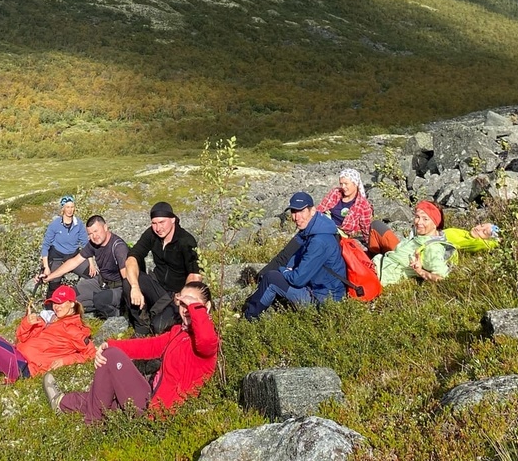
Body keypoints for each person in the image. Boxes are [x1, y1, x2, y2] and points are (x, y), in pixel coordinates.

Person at [43, 282, 218, 423]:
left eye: (192, 303)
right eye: (182, 303)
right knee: (107, 397)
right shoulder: (178, 332)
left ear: (206, 307)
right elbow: (149, 346)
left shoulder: (207, 342)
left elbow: (206, 338)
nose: (186, 308)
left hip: (162, 411)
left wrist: (194, 306)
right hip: (152, 395)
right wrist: (109, 344)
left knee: (111, 357)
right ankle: (62, 402)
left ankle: (93, 423)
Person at [0, 285, 94, 391]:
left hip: (27, 369)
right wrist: (27, 323)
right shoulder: (50, 320)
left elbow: (91, 354)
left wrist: (65, 361)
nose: (56, 306)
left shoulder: (74, 329)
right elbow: (21, 337)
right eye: (54, 303)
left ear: (72, 304)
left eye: (61, 303)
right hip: (18, 356)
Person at [242, 192, 346, 320]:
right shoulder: (315, 230)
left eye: (301, 211)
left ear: (312, 211)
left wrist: (283, 270)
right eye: (293, 211)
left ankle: (249, 317)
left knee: (271, 279)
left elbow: (297, 280)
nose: (296, 217)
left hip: (323, 302)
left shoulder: (319, 240)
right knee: (277, 277)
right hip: (322, 292)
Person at [124, 201, 204, 336]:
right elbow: (132, 257)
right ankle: (141, 326)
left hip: (177, 293)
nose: (158, 228)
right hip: (157, 285)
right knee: (128, 282)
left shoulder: (185, 241)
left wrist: (184, 299)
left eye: (162, 222)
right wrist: (135, 287)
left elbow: (194, 275)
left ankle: (156, 320)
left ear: (173, 220)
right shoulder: (151, 235)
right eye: (154, 223)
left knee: (159, 326)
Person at [41, 214, 129, 318]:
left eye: (96, 231)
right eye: (90, 233)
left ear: (105, 227)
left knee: (99, 300)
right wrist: (49, 277)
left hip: (120, 287)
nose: (94, 236)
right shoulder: (93, 244)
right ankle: (96, 304)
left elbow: (127, 276)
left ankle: (120, 313)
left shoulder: (118, 247)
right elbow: (74, 262)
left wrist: (132, 296)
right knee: (71, 296)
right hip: (102, 282)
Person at [374, 200, 452, 284]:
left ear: (435, 224)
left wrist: (420, 271)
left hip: (379, 274)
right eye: (417, 217)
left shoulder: (433, 248)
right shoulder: (421, 233)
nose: (419, 222)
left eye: (425, 219)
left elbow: (441, 278)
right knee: (376, 225)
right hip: (382, 261)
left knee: (357, 253)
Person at [39, 195, 90, 298]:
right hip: (57, 256)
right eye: (67, 207)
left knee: (92, 275)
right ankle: (50, 307)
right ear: (63, 209)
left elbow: (85, 244)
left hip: (74, 256)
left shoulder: (79, 224)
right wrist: (46, 267)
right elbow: (45, 246)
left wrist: (91, 263)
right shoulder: (55, 225)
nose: (70, 210)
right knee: (53, 283)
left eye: (72, 207)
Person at [316, 168, 374, 243]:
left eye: (346, 184)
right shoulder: (335, 193)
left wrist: (371, 245)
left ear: (355, 184)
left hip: (341, 235)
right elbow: (321, 209)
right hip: (325, 225)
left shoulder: (363, 205)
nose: (343, 187)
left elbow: (366, 228)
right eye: (341, 184)